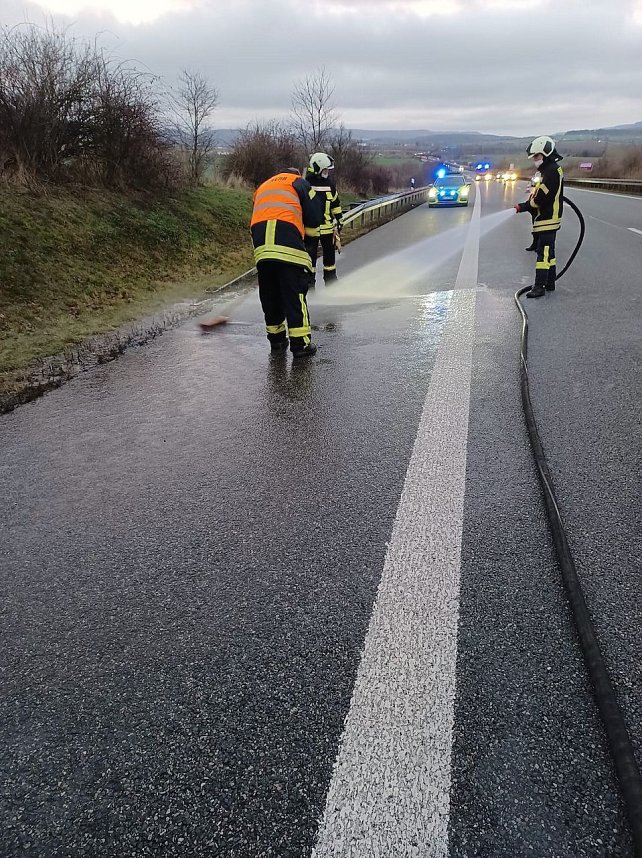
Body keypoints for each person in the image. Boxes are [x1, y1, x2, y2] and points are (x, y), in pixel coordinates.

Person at [250, 167, 321, 358]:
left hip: (262, 246)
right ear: (296, 174)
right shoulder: (299, 183)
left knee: (269, 294)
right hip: (288, 243)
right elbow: (314, 218)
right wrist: (309, 248)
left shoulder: (263, 186)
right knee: (294, 294)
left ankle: (277, 340)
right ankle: (301, 344)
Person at [514, 136, 564, 298]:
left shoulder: (551, 171)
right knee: (550, 254)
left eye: (537, 156)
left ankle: (539, 286)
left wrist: (524, 206)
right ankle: (549, 282)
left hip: (548, 218)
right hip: (546, 218)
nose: (535, 160)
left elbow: (541, 198)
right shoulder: (548, 170)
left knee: (544, 254)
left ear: (546, 153)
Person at [304, 152, 343, 284]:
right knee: (310, 258)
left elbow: (335, 204)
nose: (327, 173)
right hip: (311, 228)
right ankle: (310, 283)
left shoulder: (329, 184)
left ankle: (330, 280)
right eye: (325, 170)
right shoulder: (306, 184)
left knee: (329, 257)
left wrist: (339, 219)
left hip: (326, 228)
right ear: (317, 168)